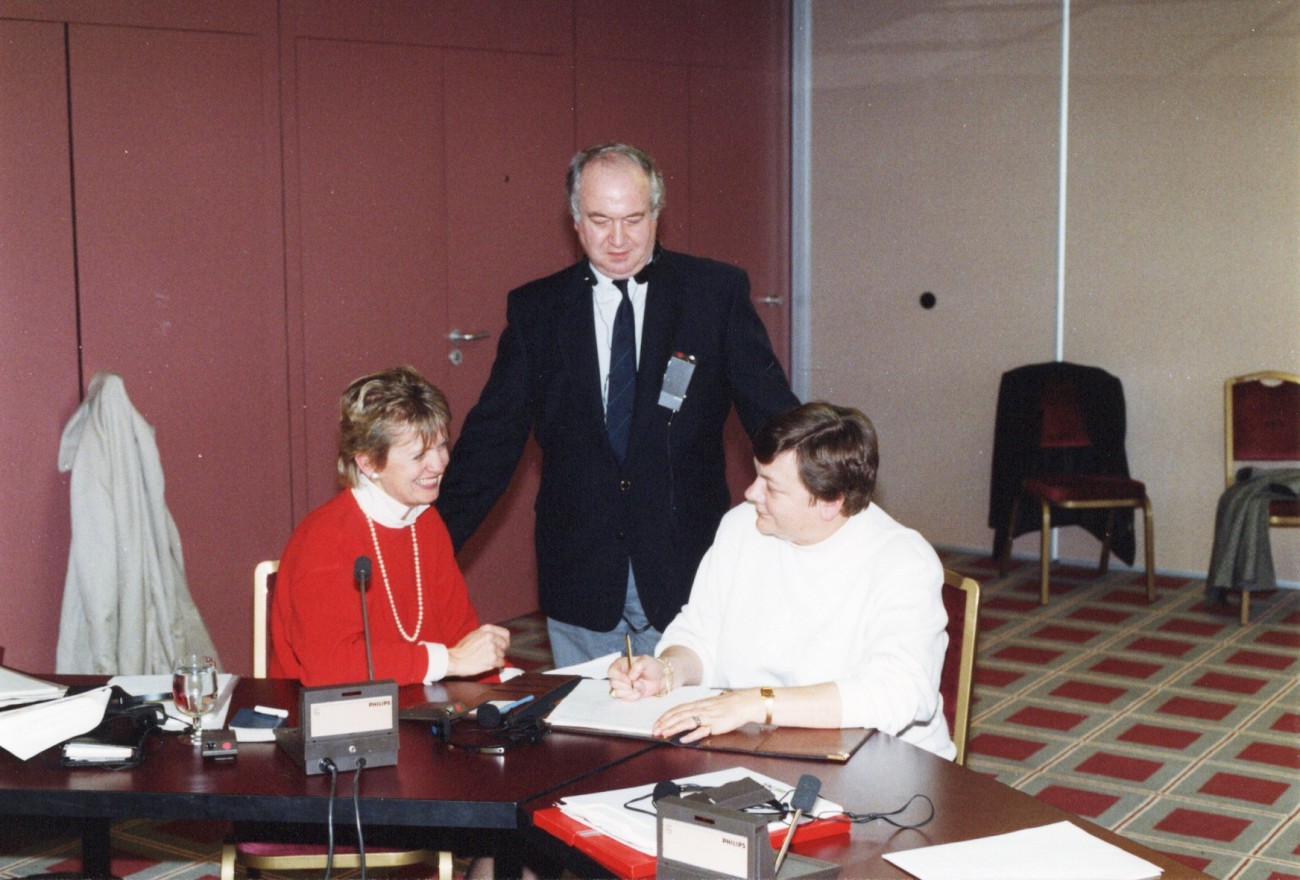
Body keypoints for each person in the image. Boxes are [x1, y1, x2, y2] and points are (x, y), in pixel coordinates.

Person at [437, 143, 799, 667]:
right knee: (582, 738)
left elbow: (775, 418)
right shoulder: (537, 309)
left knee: (685, 731)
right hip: (580, 570)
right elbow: (493, 439)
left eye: (634, 219)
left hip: (686, 565)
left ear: (657, 213)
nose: (619, 240)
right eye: (600, 221)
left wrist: (831, 510)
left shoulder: (712, 294)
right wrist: (426, 546)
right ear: (575, 221)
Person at [608, 402, 956, 760]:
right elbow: (699, 633)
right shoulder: (741, 527)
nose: (751, 493)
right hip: (762, 750)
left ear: (829, 502)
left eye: (771, 487)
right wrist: (667, 671)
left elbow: (897, 692)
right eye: (758, 476)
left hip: (886, 767)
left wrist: (757, 704)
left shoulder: (901, 559)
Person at [270, 365, 509, 687]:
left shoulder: (426, 520)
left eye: (441, 445)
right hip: (330, 718)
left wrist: (509, 679)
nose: (440, 464)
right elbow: (329, 666)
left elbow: (460, 634)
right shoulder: (326, 537)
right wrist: (449, 661)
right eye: (419, 454)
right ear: (369, 463)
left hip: (416, 704)